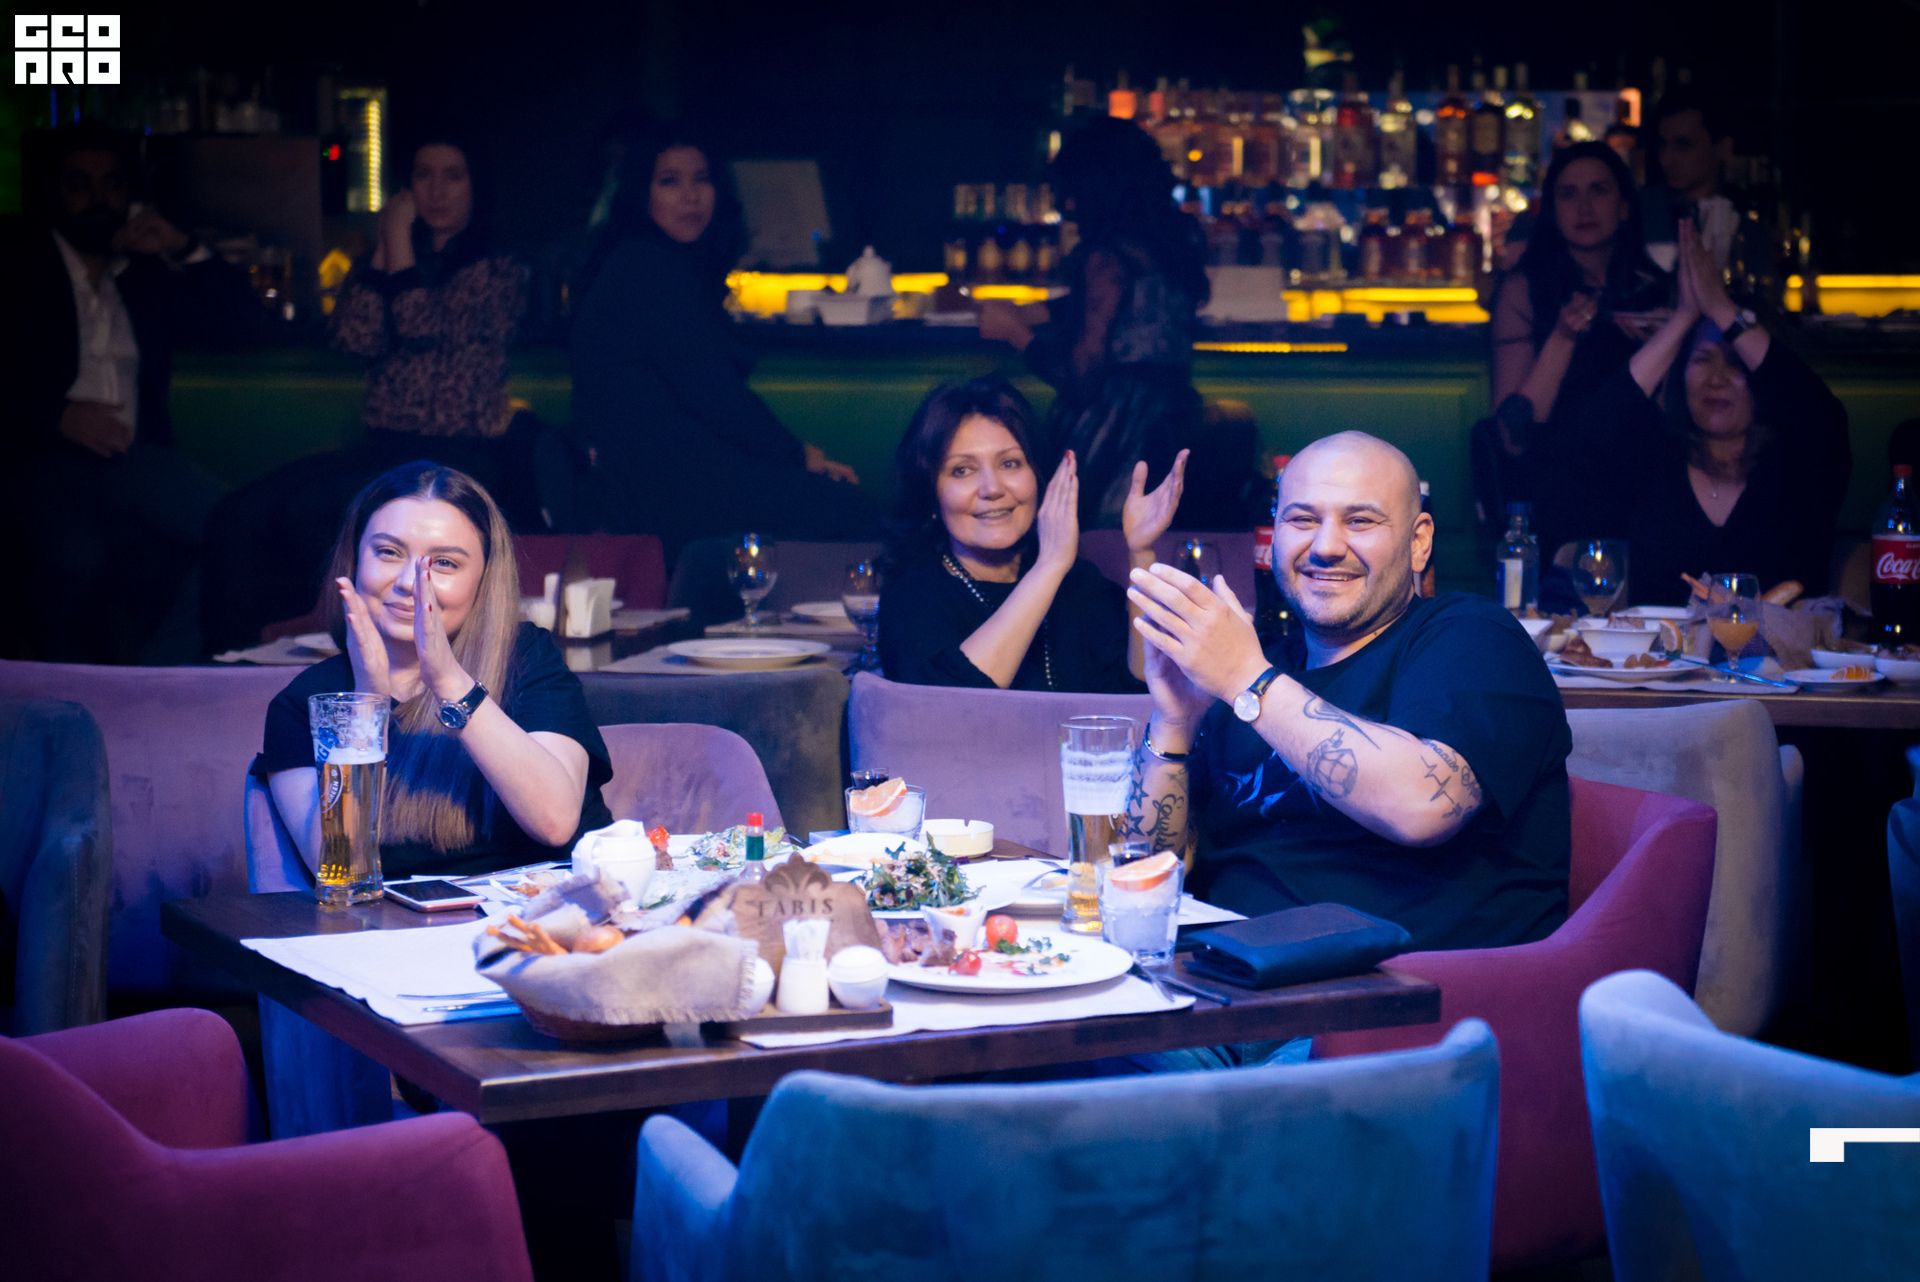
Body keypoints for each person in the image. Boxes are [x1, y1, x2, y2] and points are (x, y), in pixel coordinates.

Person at [1126, 431, 1571, 953]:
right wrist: (1174, 721)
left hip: (1395, 991)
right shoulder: (1255, 665)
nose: (1326, 547)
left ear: (1419, 541)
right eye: (1302, 520)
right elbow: (1147, 875)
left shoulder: (1473, 636)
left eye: (1360, 521)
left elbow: (1422, 807)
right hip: (1220, 975)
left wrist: (1247, 679)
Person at [201, 131, 543, 655]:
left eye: (453, 176)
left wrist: (397, 239)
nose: (436, 191)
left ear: (476, 187)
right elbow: (353, 337)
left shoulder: (499, 268)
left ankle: (333, 653)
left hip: (456, 451)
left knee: (308, 513)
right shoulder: (395, 255)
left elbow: (418, 326)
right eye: (423, 175)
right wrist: (386, 247)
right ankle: (225, 666)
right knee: (238, 515)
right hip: (382, 444)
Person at [255, 462, 612, 880]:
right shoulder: (307, 703)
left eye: (444, 563)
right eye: (388, 552)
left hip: (551, 912)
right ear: (354, 560)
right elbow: (340, 868)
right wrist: (368, 703)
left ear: (483, 579)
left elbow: (555, 822)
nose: (411, 582)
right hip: (396, 920)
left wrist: (448, 681)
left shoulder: (526, 658)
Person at [0, 122, 259, 662]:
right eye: (80, 184)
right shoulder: (18, 265)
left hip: (133, 459)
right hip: (39, 458)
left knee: (241, 526)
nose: (99, 198)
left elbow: (246, 322)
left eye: (112, 184)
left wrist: (183, 246)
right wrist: (56, 416)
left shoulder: (143, 274)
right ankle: (41, 680)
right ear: (53, 192)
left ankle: (153, 674)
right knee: (74, 558)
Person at [570, 120, 875, 558]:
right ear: (641, 194)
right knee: (852, 515)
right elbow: (714, 396)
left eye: (701, 179)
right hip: (664, 491)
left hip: (669, 478)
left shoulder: (653, 263)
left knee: (844, 509)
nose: (690, 196)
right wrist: (797, 456)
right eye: (669, 181)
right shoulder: (648, 272)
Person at [977, 117, 1249, 531]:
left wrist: (1013, 333)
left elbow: (1081, 380)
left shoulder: (1103, 256)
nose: (1067, 205)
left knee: (1092, 545)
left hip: (1113, 438)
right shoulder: (1173, 246)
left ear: (1096, 188)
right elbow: (1135, 308)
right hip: (1172, 420)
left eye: (1072, 190)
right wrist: (1041, 311)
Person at [1573, 222, 1851, 605]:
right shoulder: (1655, 454)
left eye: (1736, 363)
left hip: (1780, 647)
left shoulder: (1799, 462)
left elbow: (1820, 411)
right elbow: (1595, 426)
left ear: (1764, 375)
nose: (1716, 379)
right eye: (1702, 359)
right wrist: (1684, 317)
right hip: (1661, 646)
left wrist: (1721, 308)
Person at [876, 377, 1186, 693]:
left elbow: (1142, 684)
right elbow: (951, 702)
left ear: (1037, 476)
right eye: (963, 470)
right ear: (930, 492)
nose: (992, 488)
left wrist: (1141, 552)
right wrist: (1048, 567)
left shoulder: (1078, 583)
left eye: (1009, 463)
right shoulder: (911, 594)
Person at [1487, 141, 1669, 554]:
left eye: (1598, 190)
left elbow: (1681, 423)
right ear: (1552, 212)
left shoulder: (1656, 292)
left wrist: (1667, 342)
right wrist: (1564, 336)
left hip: (1648, 485)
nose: (1584, 207)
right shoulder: (1525, 290)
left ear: (1624, 207)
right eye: (1568, 194)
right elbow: (1513, 435)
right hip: (1560, 487)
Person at [1642, 87, 1744, 275]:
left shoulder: (1744, 222)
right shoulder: (1640, 213)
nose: (1667, 158)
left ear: (1723, 148)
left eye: (1683, 145)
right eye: (1662, 144)